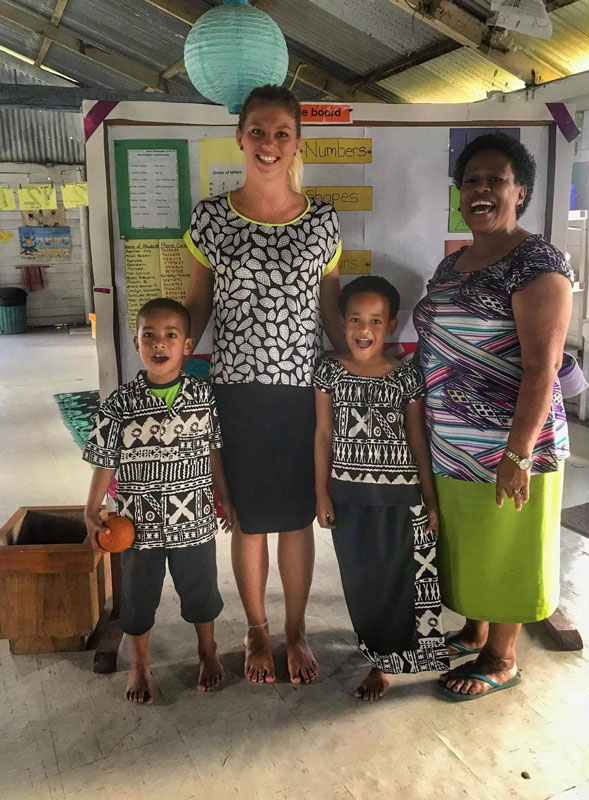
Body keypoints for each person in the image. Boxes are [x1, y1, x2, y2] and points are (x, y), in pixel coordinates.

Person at [184, 85, 345, 685]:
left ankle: (296, 630)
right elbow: (197, 306)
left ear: (298, 142)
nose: (269, 144)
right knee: (248, 518)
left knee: (296, 518)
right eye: (258, 131)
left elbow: (330, 308)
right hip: (235, 391)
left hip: (304, 391)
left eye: (282, 133)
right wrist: (166, 367)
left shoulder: (324, 220)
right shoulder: (209, 217)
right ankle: (256, 630)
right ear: (240, 137)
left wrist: (356, 367)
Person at [413, 133, 573, 700]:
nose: (481, 189)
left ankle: (502, 655)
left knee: (509, 544)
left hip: (510, 441)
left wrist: (517, 453)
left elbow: (541, 368)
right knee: (472, 542)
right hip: (453, 441)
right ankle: (475, 627)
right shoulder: (454, 261)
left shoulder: (537, 262)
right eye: (471, 181)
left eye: (496, 180)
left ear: (520, 191)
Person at [83, 298, 236, 704]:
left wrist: (224, 496)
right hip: (139, 527)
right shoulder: (119, 404)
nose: (159, 343)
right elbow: (104, 462)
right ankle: (139, 662)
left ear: (186, 345)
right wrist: (90, 509)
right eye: (149, 335)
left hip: (196, 521)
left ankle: (208, 650)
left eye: (170, 335)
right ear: (137, 343)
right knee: (137, 600)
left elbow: (214, 451)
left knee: (201, 593)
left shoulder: (203, 397)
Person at [314, 276, 449, 700]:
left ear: (391, 326)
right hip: (349, 497)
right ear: (341, 321)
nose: (364, 330)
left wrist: (429, 501)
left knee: (399, 580)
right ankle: (375, 649)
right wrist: (321, 494)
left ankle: (384, 665)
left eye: (375, 320)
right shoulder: (328, 371)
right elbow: (322, 435)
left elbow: (417, 440)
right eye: (355, 319)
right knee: (361, 580)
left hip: (400, 497)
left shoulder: (406, 377)